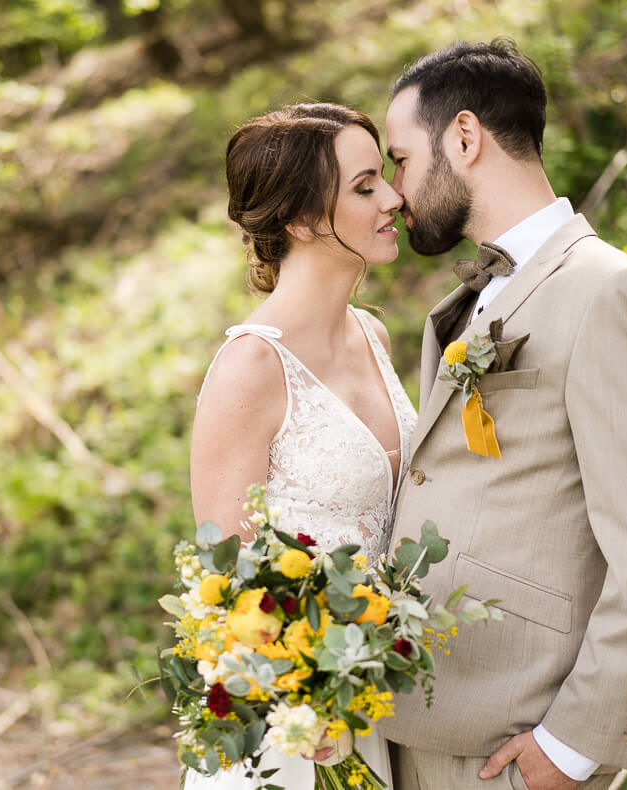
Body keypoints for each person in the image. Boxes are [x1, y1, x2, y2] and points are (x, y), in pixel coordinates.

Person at [379, 39, 627, 790]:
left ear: (463, 138)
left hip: (517, 741)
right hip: (419, 720)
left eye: (399, 159)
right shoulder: (461, 304)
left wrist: (574, 745)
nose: (395, 192)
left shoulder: (607, 291)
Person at [187, 102, 417, 788]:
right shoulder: (250, 367)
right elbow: (224, 576)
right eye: (366, 185)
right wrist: (302, 697)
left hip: (378, 698)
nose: (395, 198)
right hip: (289, 720)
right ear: (301, 220)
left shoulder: (372, 335)